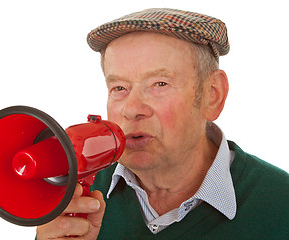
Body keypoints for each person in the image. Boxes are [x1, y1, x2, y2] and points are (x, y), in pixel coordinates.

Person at [36, 8, 289, 239]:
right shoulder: (75, 201)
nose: (132, 109)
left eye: (159, 84)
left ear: (213, 95)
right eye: (119, 87)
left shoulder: (280, 202)